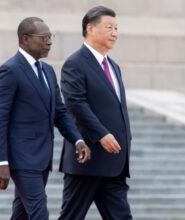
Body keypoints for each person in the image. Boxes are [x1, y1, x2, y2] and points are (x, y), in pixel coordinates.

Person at [0, 17, 91, 220]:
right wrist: (0, 161)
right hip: (21, 158)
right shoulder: (10, 70)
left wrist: (77, 140)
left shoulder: (48, 71)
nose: (49, 42)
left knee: (21, 214)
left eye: (50, 37)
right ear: (25, 39)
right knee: (39, 212)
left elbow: (59, 112)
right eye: (43, 37)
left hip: (42, 158)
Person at [58, 6, 133, 220]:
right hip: (87, 161)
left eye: (117, 28)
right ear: (90, 28)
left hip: (115, 162)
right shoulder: (75, 64)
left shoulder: (114, 66)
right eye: (109, 27)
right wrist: (101, 134)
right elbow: (75, 103)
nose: (115, 33)